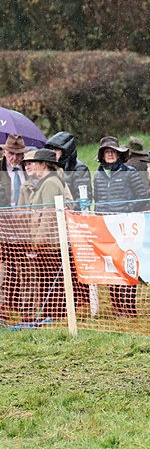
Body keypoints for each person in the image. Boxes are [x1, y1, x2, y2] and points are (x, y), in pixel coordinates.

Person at [93, 136, 148, 318]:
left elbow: (141, 198)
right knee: (111, 266)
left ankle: (130, 308)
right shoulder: (98, 175)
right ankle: (117, 308)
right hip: (107, 228)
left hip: (126, 227)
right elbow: (98, 201)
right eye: (106, 151)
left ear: (119, 153)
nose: (109, 154)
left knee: (128, 265)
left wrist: (126, 211)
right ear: (101, 155)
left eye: (112, 151)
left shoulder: (130, 172)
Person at [27, 148, 70, 320]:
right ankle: (51, 313)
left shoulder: (50, 183)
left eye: (35, 163)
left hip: (49, 244)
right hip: (48, 243)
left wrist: (38, 241)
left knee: (49, 280)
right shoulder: (46, 182)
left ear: (43, 164)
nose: (32, 166)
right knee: (47, 279)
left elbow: (48, 214)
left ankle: (53, 314)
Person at [44, 131, 92, 209]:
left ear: (65, 151)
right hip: (55, 214)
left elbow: (84, 197)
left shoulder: (79, 169)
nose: (53, 153)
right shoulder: (51, 167)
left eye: (56, 150)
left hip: (74, 215)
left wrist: (68, 208)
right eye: (51, 150)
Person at [0, 134, 29, 207]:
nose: (14, 158)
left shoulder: (30, 168)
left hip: (26, 214)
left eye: (18, 154)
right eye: (11, 153)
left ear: (23, 154)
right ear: (4, 152)